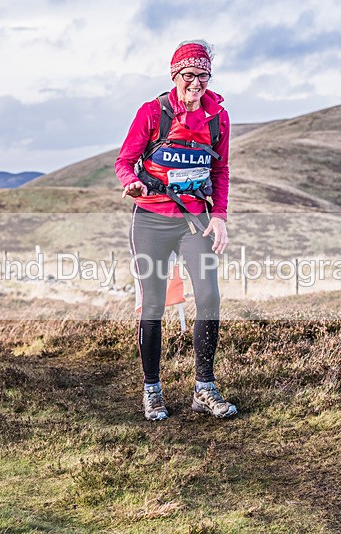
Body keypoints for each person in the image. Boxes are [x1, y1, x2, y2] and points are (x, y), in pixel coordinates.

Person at [115, 40, 237, 421]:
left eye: (203, 75)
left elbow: (220, 171)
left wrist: (219, 216)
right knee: (153, 305)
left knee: (210, 297)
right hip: (151, 220)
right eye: (189, 75)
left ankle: (204, 388)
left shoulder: (218, 118)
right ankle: (152, 390)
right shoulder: (153, 113)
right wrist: (131, 184)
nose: (196, 83)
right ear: (174, 75)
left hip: (194, 221)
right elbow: (125, 161)